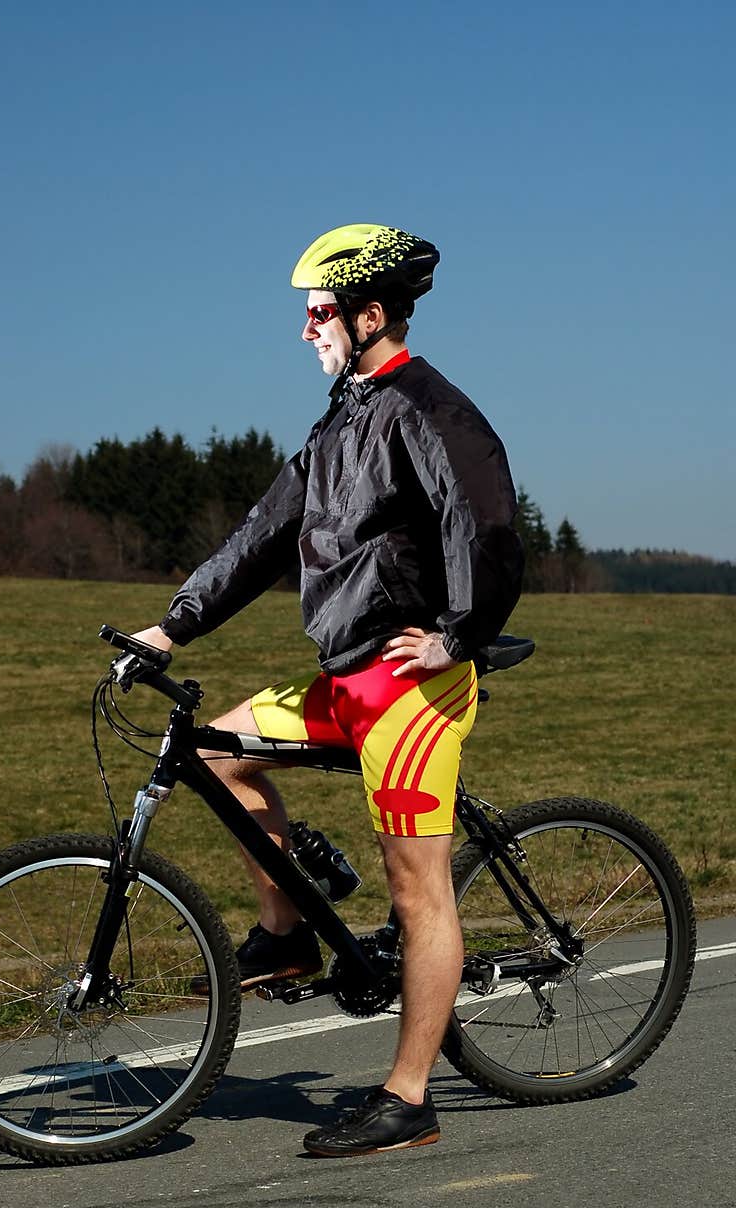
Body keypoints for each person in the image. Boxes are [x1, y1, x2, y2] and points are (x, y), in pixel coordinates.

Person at [132, 224, 524, 1157]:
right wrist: (172, 623)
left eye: (319, 313)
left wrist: (458, 634)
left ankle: (409, 1096)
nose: (307, 330)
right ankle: (288, 931)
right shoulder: (342, 417)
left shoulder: (431, 409)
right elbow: (265, 532)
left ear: (370, 313)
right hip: (346, 675)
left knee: (415, 887)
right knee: (220, 751)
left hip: (412, 689)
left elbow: (490, 524)